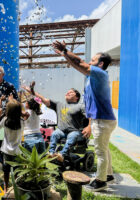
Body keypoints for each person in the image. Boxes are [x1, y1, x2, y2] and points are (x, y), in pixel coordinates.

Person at [53, 40, 117, 192]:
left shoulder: (100, 74)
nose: (89, 61)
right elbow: (77, 65)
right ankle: (108, 175)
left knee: (100, 151)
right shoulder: (91, 77)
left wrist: (65, 50)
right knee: (105, 148)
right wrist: (64, 54)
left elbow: (80, 62)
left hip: (103, 120)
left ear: (100, 64)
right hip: (101, 119)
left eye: (93, 60)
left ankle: (101, 181)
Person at [23, 85, 89, 163]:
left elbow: (89, 116)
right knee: (54, 134)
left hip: (74, 131)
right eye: (68, 91)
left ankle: (62, 155)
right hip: (61, 131)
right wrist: (32, 92)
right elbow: (43, 99)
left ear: (77, 97)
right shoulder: (59, 104)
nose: (68, 92)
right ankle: (51, 153)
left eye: (71, 92)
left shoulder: (80, 106)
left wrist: (89, 126)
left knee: (72, 136)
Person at [0, 96, 24, 193]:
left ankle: (5, 188)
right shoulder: (22, 122)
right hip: (17, 152)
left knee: (6, 171)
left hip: (6, 151)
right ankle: (16, 188)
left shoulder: (5, 120)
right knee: (17, 171)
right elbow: (25, 115)